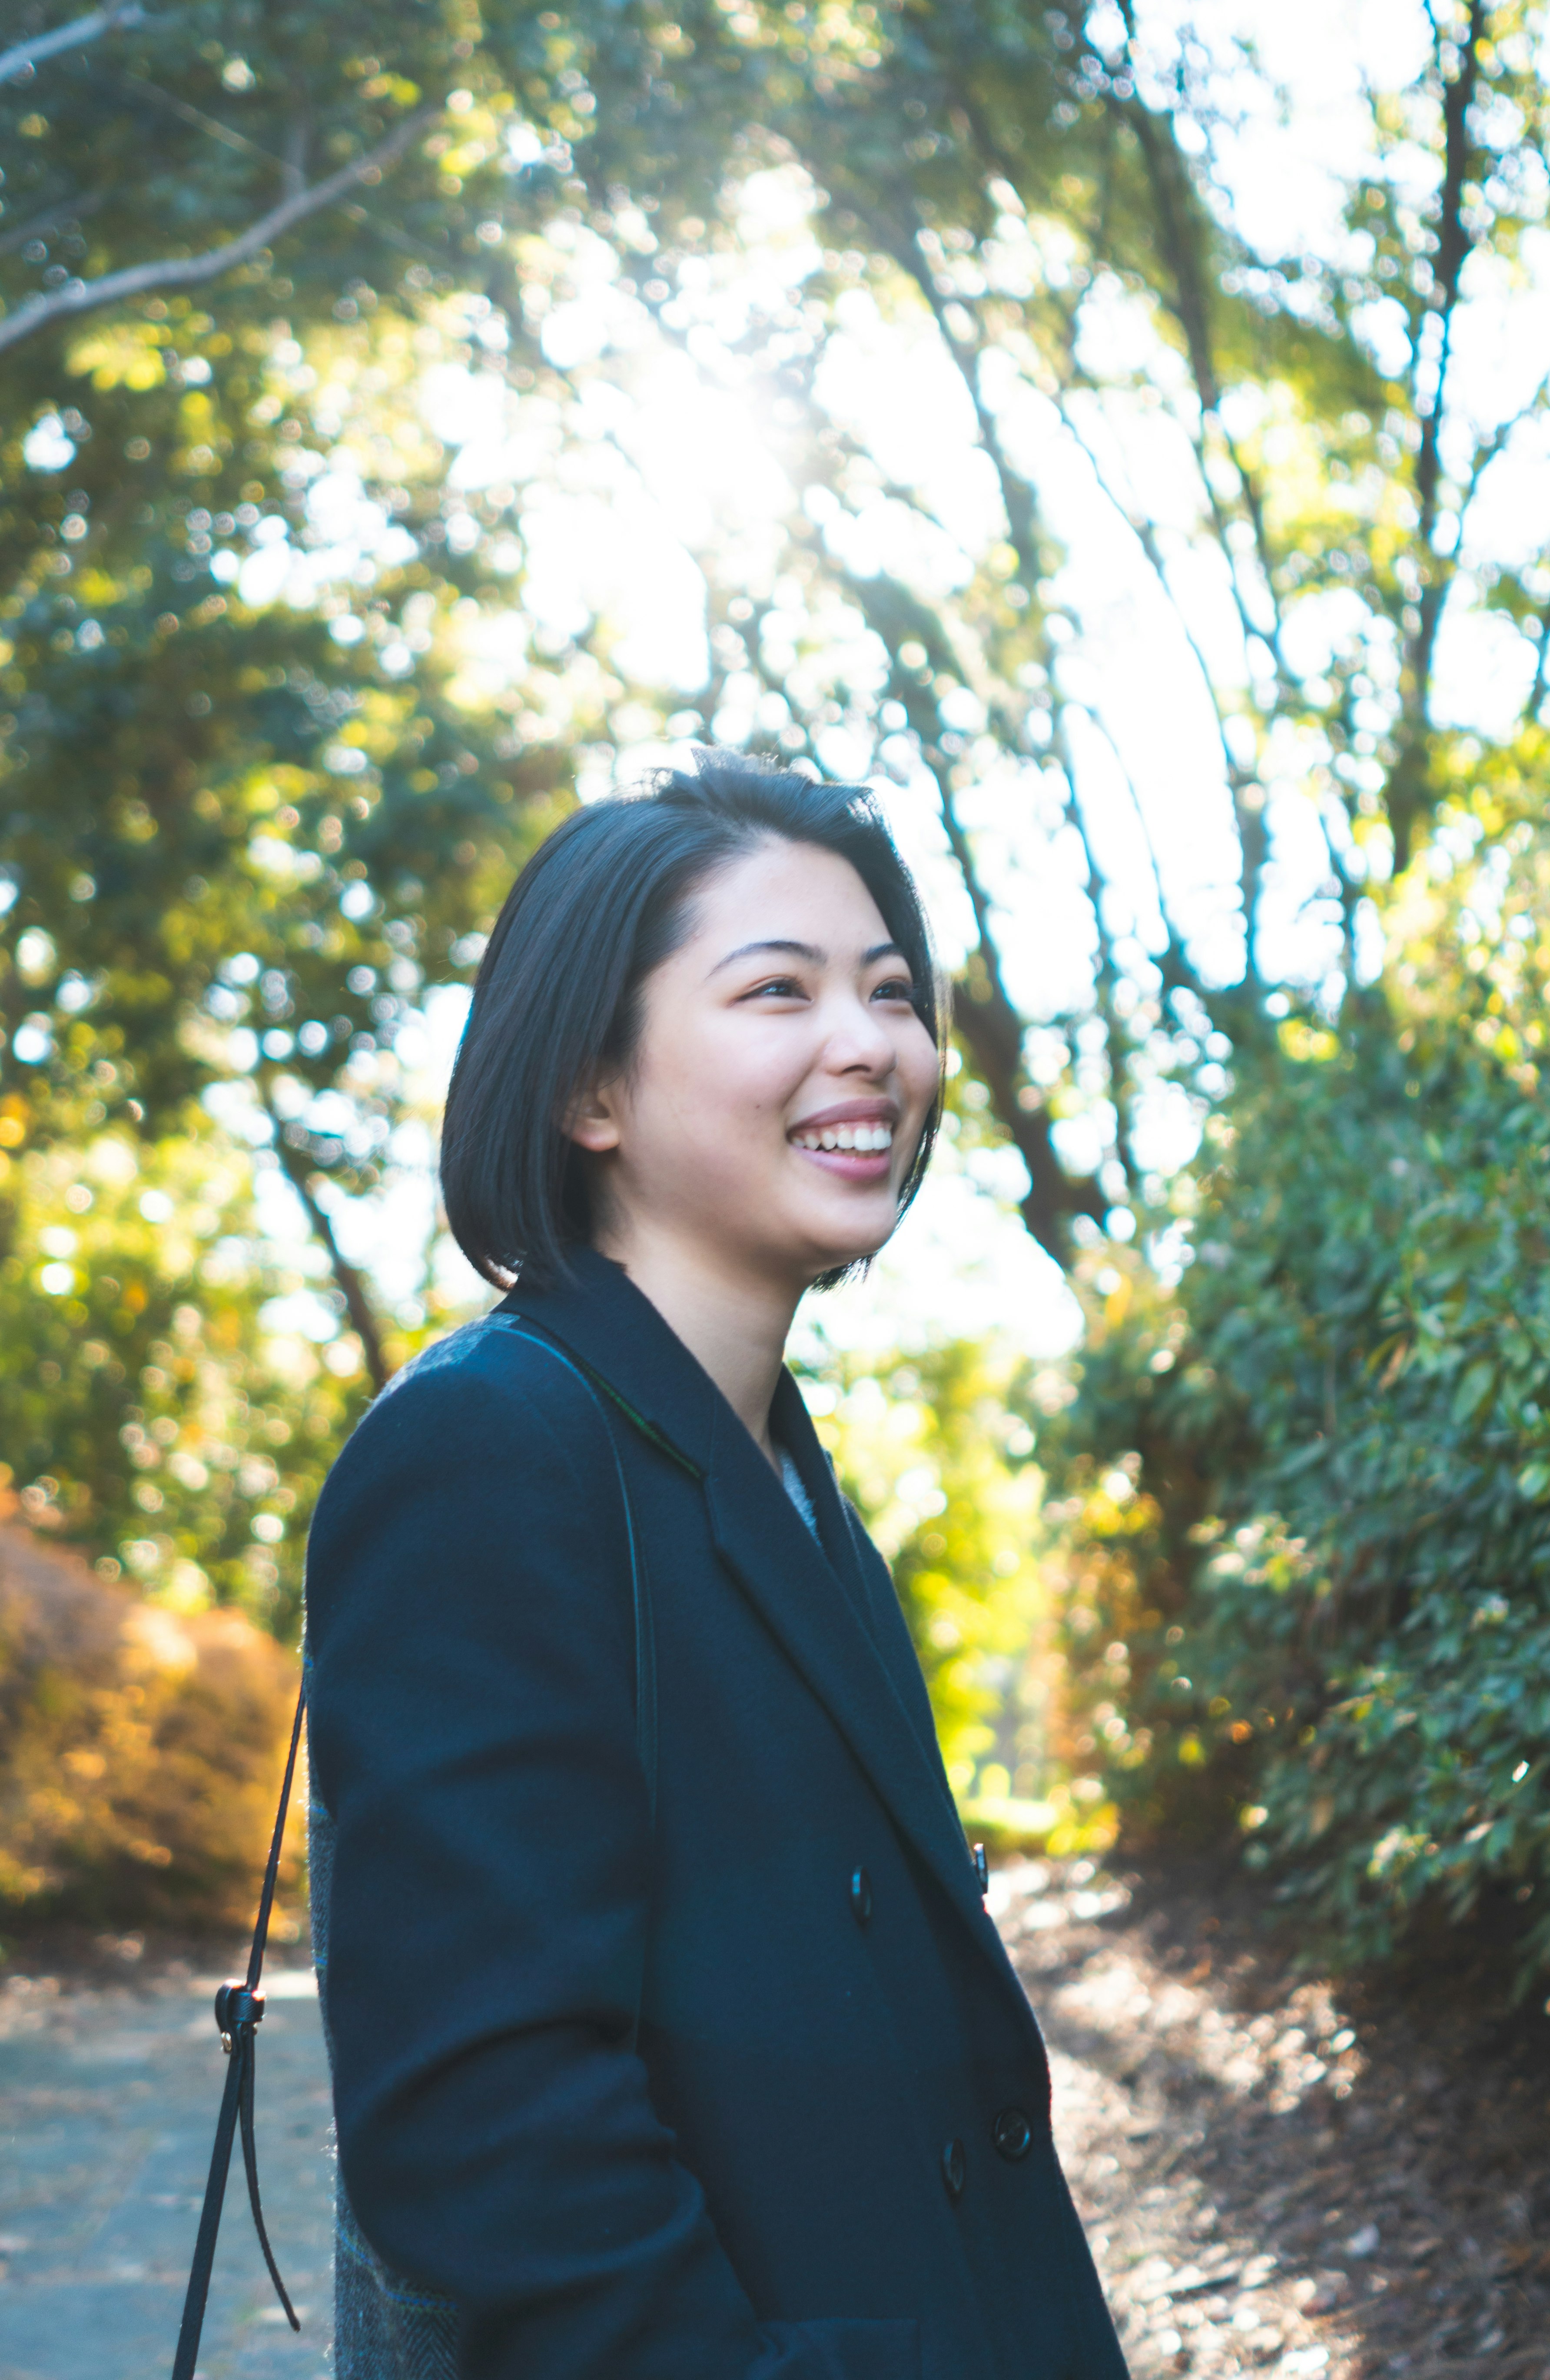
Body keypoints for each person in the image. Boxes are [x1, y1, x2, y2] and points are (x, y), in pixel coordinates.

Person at [304, 753, 1128, 2380]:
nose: (871, 1045)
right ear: (588, 1091)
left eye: (892, 994)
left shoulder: (789, 1483)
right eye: (779, 990)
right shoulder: (490, 1455)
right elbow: (488, 2139)